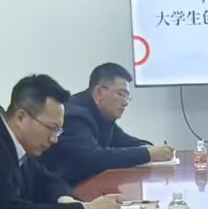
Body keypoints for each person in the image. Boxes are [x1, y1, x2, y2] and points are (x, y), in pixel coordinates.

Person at [0, 74, 123, 209]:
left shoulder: (20, 143)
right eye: (51, 128)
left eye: (58, 131)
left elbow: (49, 180)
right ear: (21, 117)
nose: (54, 139)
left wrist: (67, 200)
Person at [47, 62, 175, 184]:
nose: (125, 102)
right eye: (121, 94)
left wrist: (148, 147)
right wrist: (148, 154)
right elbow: (92, 158)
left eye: (127, 97)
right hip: (63, 191)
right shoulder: (76, 115)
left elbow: (122, 140)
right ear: (99, 92)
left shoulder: (102, 115)